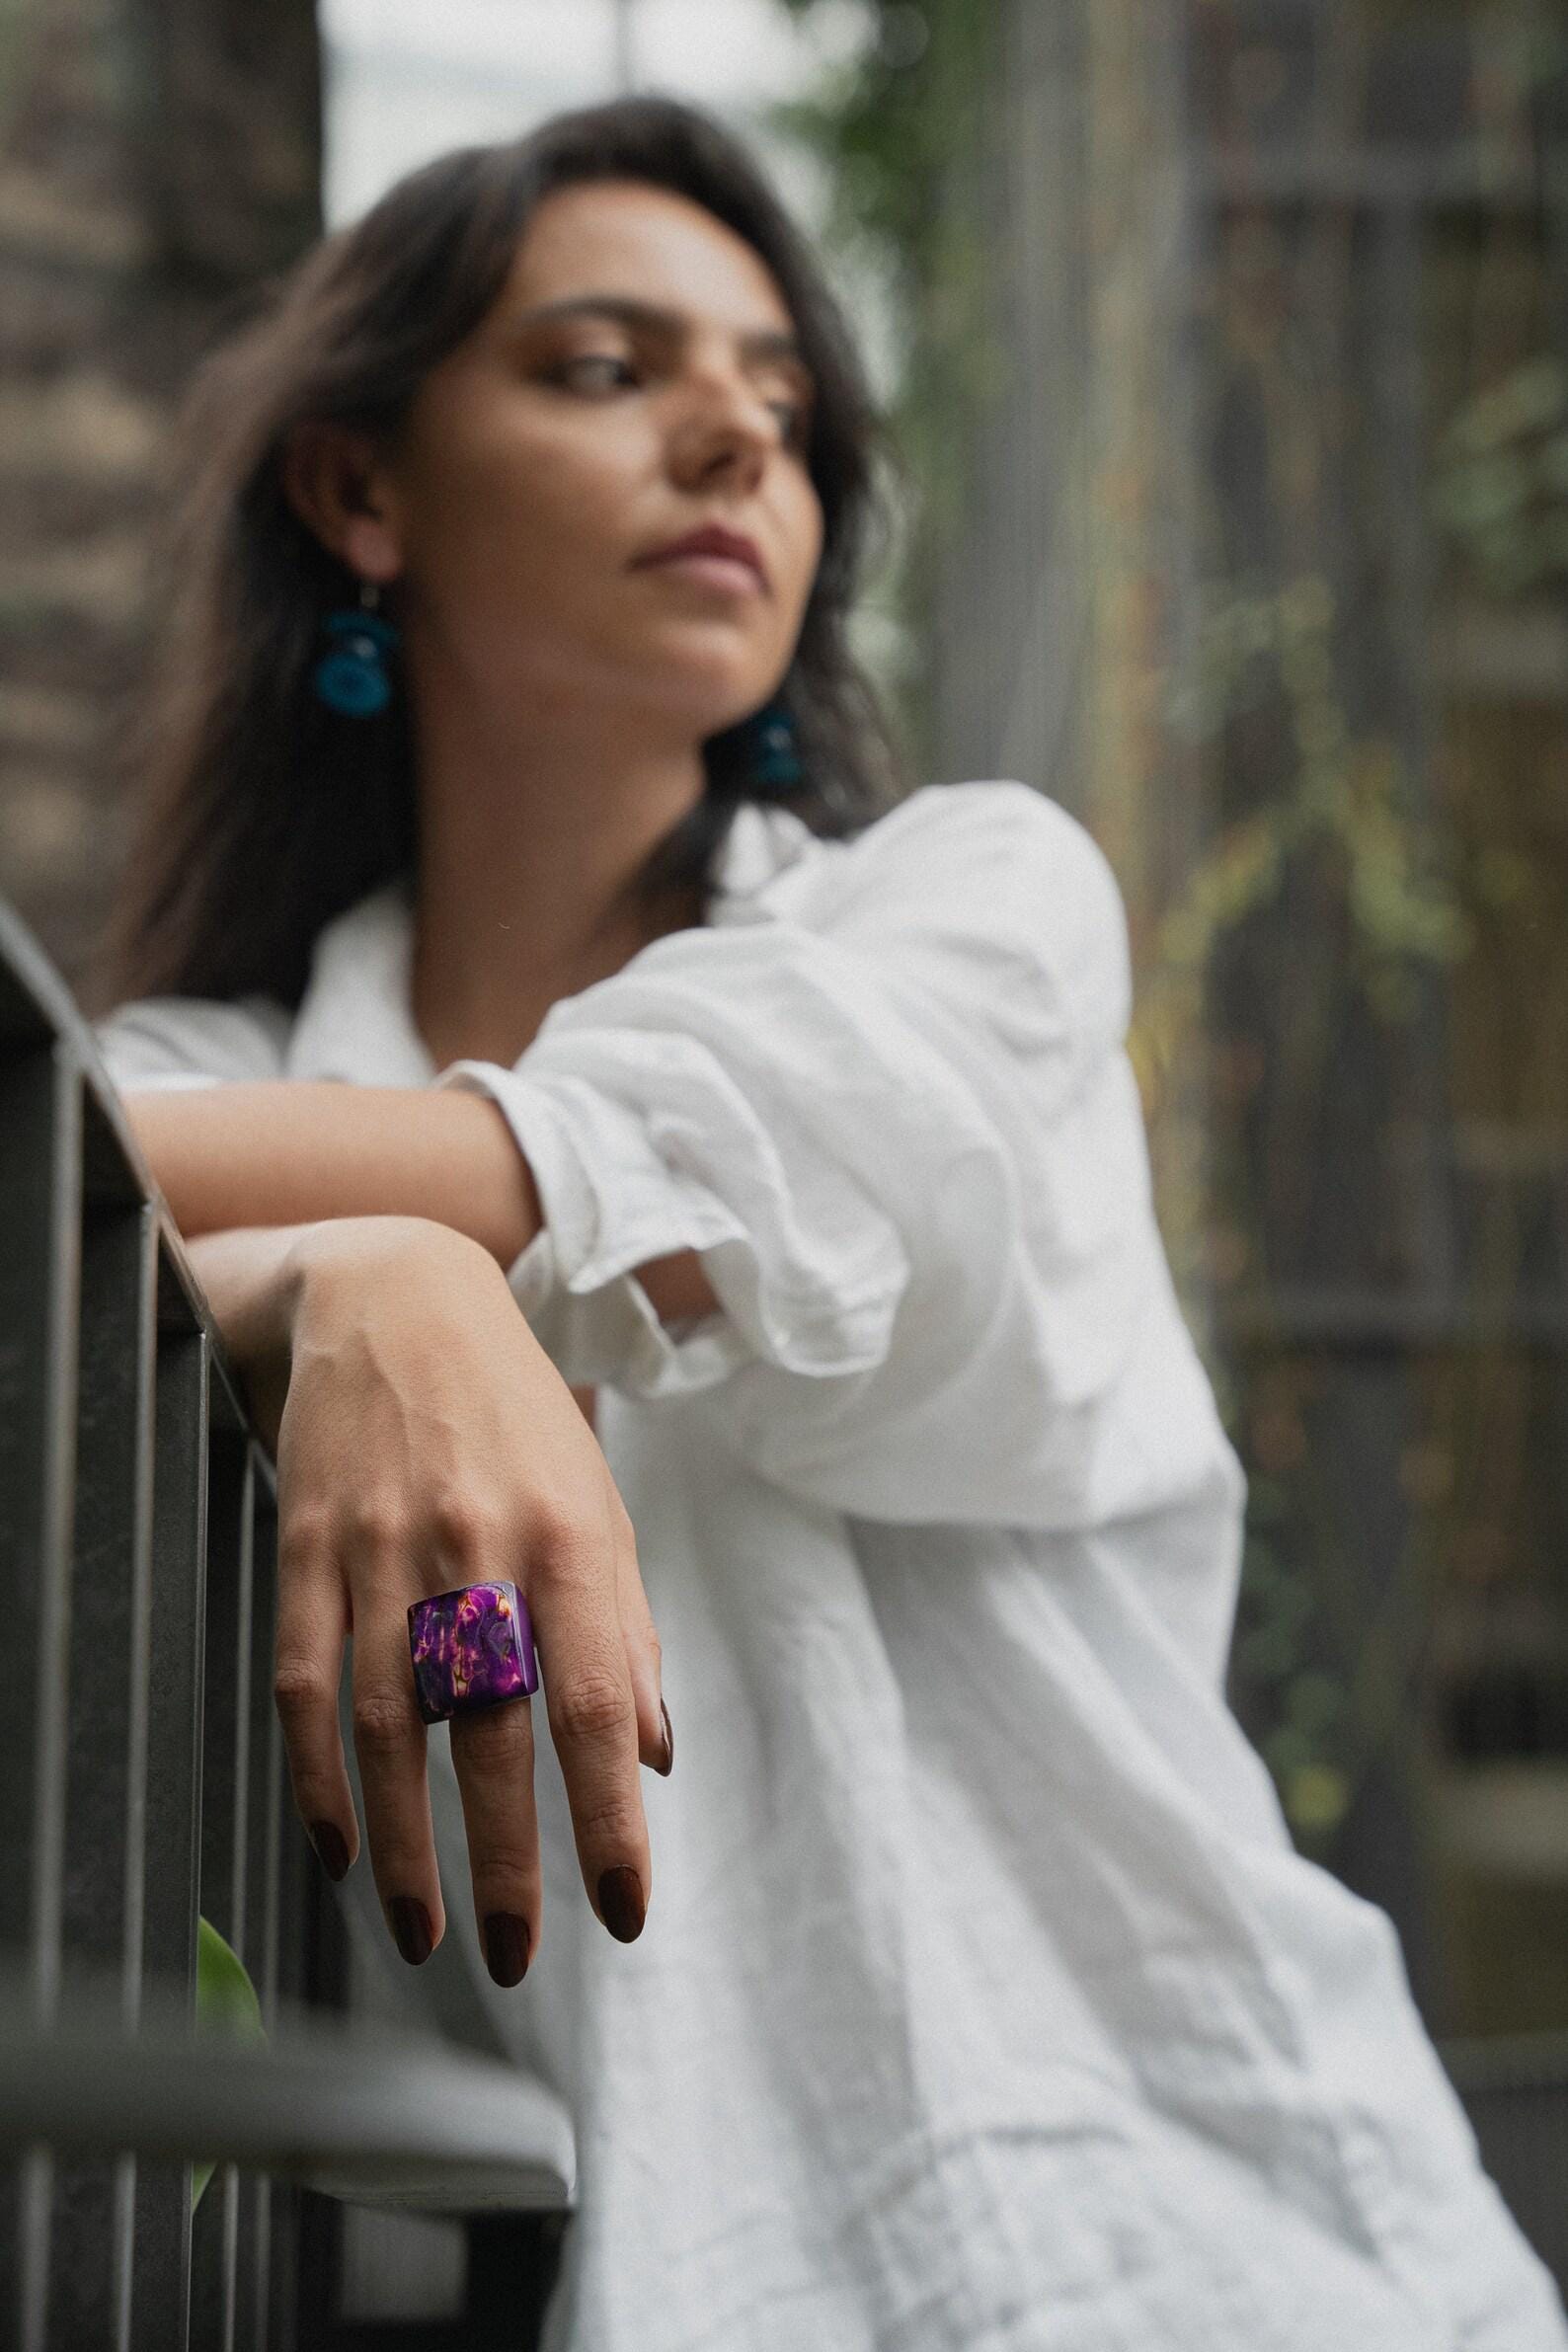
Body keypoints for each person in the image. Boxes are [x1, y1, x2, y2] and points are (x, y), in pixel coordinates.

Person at [86, 92, 1565, 2352]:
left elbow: (586, 1170)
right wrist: (344, 1279)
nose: (728, 440)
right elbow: (62, 1237)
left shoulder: (974, 921)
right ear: (358, 487)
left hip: (1211, 2250)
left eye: (779, 402)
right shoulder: (210, 1073)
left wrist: (372, 1253)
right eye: (606, 368)